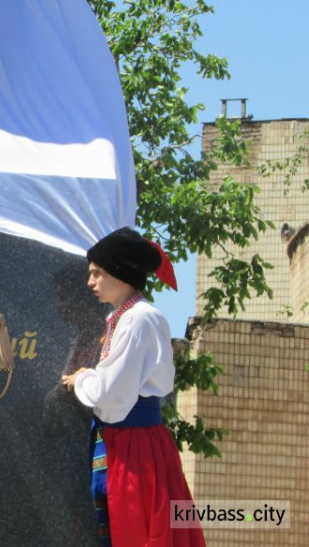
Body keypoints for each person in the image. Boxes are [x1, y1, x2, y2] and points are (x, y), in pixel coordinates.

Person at [62, 227, 205, 547]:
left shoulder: (139, 319)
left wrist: (84, 378)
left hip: (135, 448)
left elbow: (113, 395)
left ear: (121, 272)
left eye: (97, 273)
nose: (90, 282)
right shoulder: (126, 317)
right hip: (129, 443)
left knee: (137, 535)